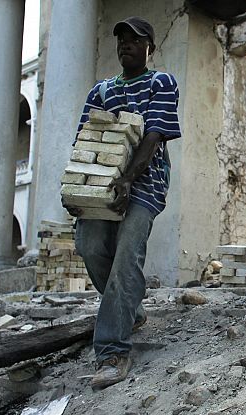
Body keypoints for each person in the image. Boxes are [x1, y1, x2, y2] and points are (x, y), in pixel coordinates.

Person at [62, 16, 181, 390]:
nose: (126, 44)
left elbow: (155, 135)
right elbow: (85, 141)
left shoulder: (162, 82)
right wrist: (77, 190)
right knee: (89, 245)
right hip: (101, 186)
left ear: (151, 46)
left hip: (145, 183)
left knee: (127, 255)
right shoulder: (101, 91)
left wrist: (127, 178)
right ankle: (131, 312)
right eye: (121, 39)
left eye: (135, 39)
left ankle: (112, 352)